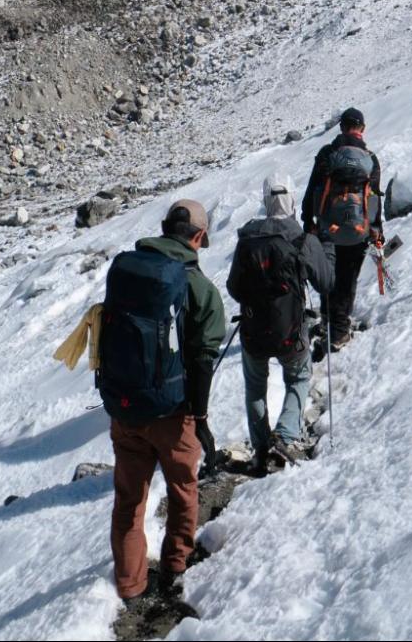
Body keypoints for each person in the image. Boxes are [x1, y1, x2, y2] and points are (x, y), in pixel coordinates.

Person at [96, 198, 227, 609]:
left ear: (164, 227)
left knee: (129, 500)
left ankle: (130, 584)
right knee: (183, 489)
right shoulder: (200, 288)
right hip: (173, 413)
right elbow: (203, 360)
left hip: (125, 406)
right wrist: (200, 417)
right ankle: (175, 564)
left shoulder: (129, 269)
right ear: (199, 237)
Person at [226, 175, 334, 475]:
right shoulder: (301, 239)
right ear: (292, 199)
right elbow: (326, 283)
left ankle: (261, 448)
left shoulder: (247, 240)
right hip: (292, 330)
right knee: (298, 379)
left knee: (255, 388)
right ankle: (285, 437)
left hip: (252, 329)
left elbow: (234, 287)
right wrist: (327, 247)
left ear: (265, 200)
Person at [302, 107, 384, 350]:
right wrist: (376, 229)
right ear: (362, 128)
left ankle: (330, 323)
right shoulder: (370, 159)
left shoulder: (327, 154)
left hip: (328, 228)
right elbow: (374, 197)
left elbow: (312, 189)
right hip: (358, 230)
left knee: (328, 276)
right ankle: (339, 331)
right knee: (347, 279)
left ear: (341, 127)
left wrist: (308, 221)